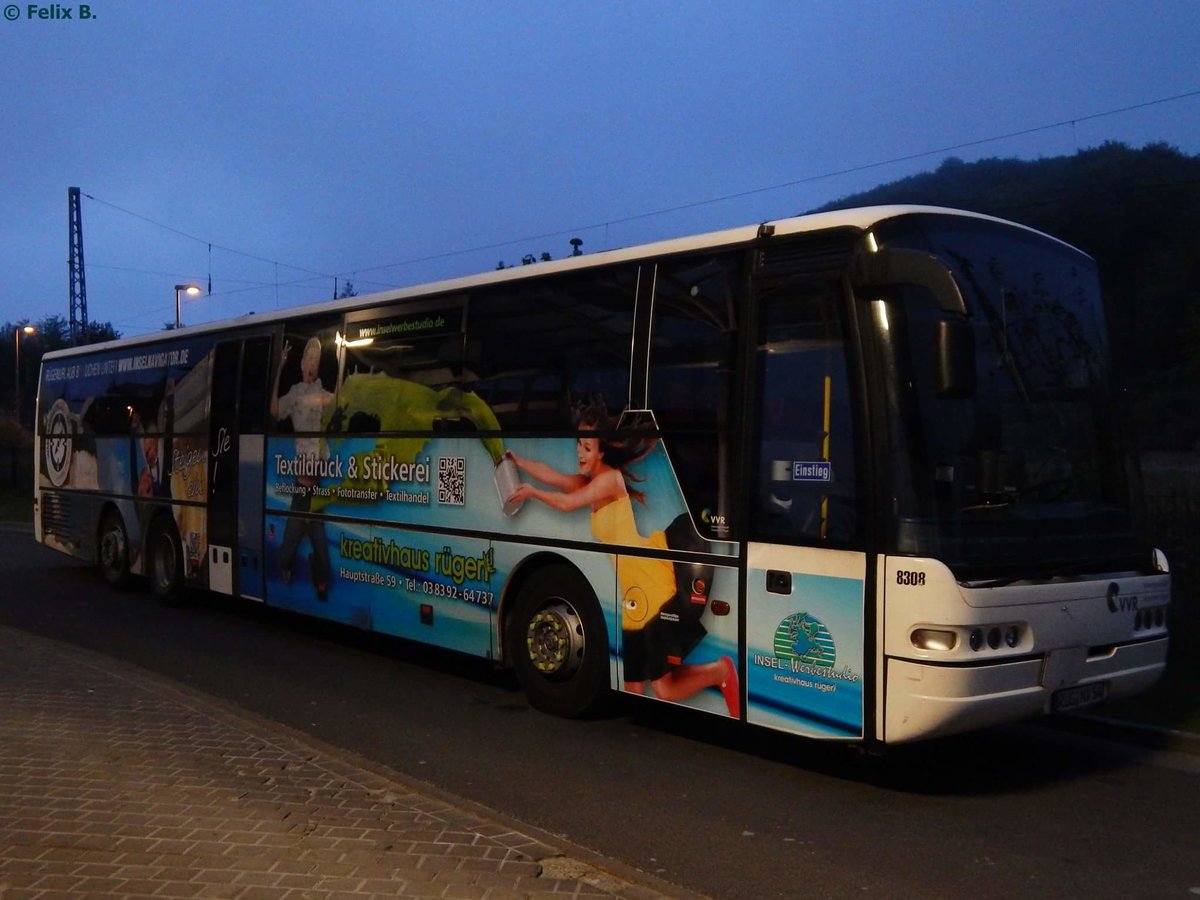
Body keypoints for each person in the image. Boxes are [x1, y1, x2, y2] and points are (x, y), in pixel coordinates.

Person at [506, 402, 739, 717]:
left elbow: (566, 502)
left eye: (587, 447)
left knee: (664, 689)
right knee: (632, 688)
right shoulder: (592, 481)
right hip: (633, 595)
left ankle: (721, 671)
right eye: (579, 445)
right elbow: (558, 479)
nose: (580, 453)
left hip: (652, 583)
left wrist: (533, 492)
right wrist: (518, 461)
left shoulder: (608, 480)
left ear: (602, 452)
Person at [270, 336, 339, 601]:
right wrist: (279, 368)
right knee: (290, 542)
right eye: (309, 359)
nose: (313, 364)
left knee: (320, 543)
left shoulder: (322, 394)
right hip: (301, 485)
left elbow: (339, 404)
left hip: (317, 483)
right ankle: (287, 566)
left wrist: (344, 367)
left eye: (317, 361)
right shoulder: (296, 393)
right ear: (301, 364)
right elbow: (275, 410)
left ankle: (320, 581)